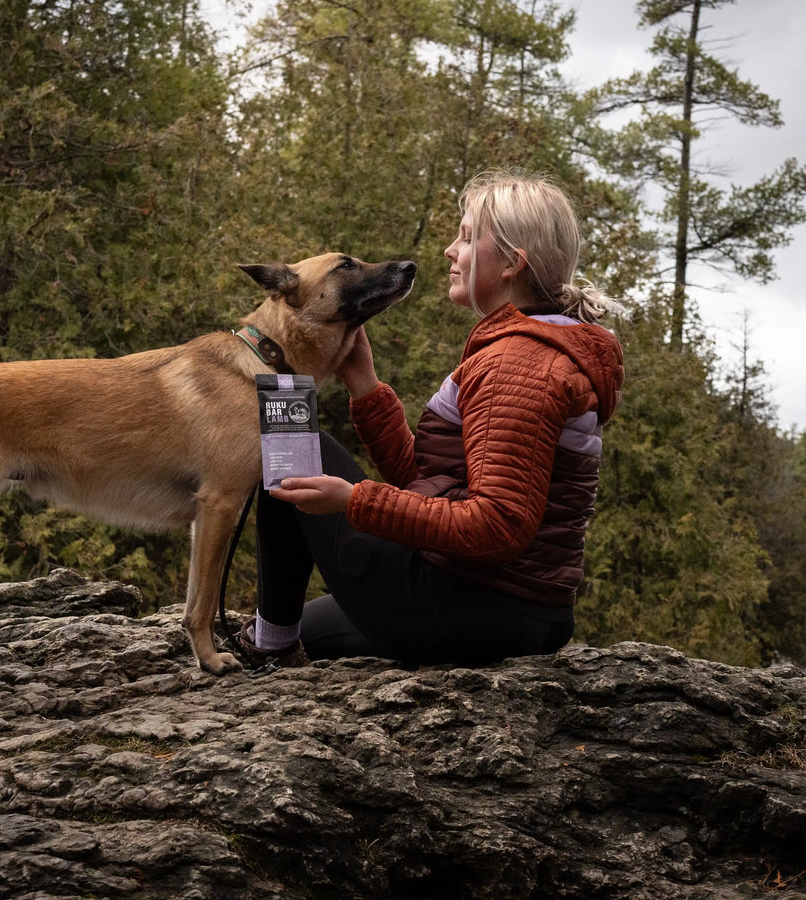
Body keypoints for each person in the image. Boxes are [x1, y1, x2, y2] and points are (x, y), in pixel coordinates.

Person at [238, 168, 625, 670]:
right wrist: (366, 387)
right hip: (500, 602)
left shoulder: (519, 363)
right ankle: (273, 638)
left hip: (476, 602)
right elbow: (430, 485)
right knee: (297, 629)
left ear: (510, 263)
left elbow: (498, 526)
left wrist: (354, 499)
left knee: (291, 435)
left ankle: (272, 647)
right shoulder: (526, 345)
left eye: (465, 237)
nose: (449, 250)